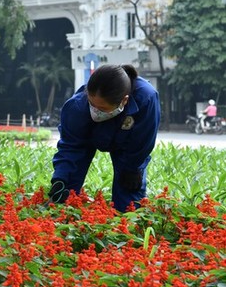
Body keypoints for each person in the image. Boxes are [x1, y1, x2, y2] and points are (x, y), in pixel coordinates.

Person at [48, 64, 160, 212]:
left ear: (124, 101)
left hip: (127, 143)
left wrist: (133, 169)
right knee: (66, 192)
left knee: (128, 198)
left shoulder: (146, 98)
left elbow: (142, 142)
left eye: (102, 109)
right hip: (88, 136)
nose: (95, 111)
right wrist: (61, 177)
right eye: (92, 104)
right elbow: (71, 146)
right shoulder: (77, 105)